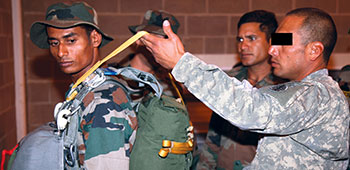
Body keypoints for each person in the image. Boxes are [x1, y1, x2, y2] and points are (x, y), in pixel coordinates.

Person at [140, 7, 350, 169]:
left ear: (314, 50)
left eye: (283, 42)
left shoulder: (318, 94)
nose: (272, 50)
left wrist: (180, 62)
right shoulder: (307, 92)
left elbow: (251, 109)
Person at [30, 2, 137, 169]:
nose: (61, 52)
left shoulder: (101, 101)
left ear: (94, 38)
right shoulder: (83, 90)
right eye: (54, 43)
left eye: (71, 40)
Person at [193, 10, 286, 170]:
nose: (243, 46)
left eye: (252, 38)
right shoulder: (229, 82)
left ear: (271, 41)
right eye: (240, 39)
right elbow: (214, 136)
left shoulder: (284, 86)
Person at [113, 10, 182, 97]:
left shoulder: (172, 87)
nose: (161, 47)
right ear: (138, 40)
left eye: (166, 42)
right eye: (156, 40)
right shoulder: (115, 78)